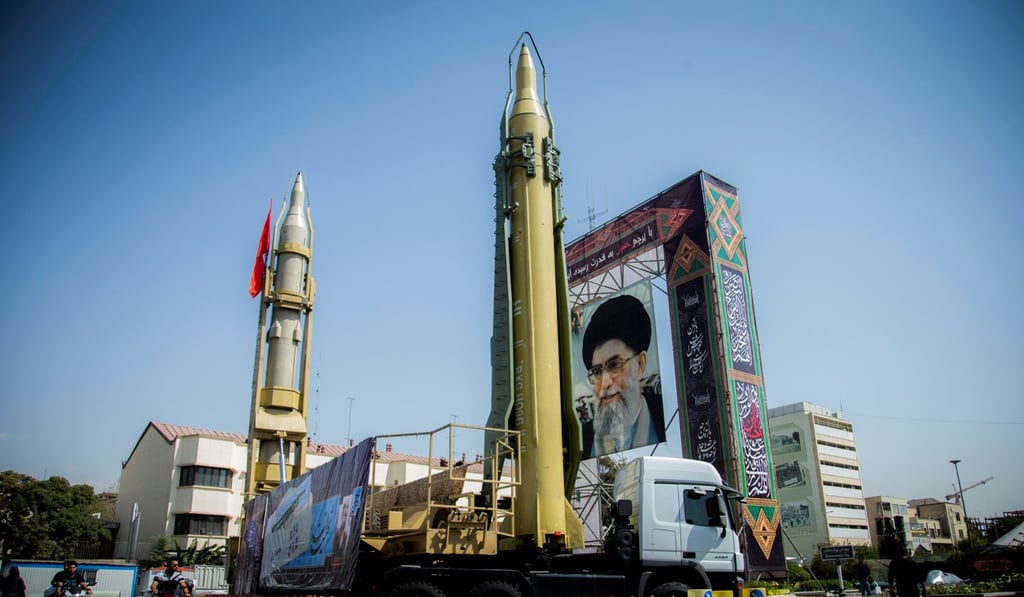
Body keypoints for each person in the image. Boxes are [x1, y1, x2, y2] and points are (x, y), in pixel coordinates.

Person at [580, 294, 666, 457]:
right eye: (597, 372)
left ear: (640, 364)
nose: (605, 383)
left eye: (614, 365)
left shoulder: (667, 419)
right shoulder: (581, 440)